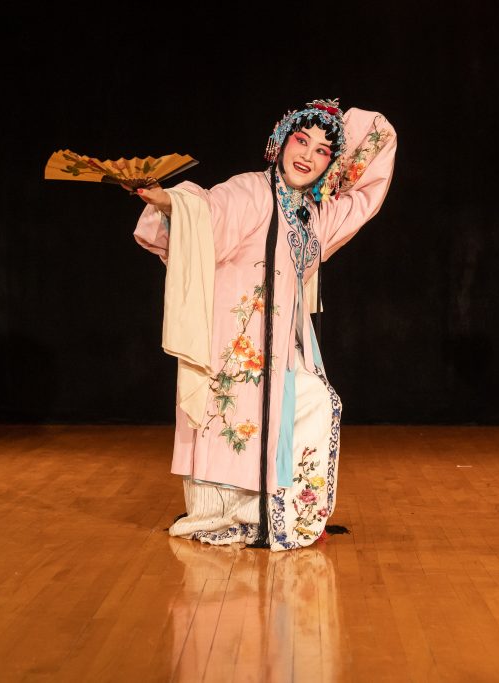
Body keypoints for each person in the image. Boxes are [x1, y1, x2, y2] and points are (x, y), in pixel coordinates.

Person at [132, 99, 396, 551]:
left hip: (281, 349)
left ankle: (284, 515)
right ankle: (226, 515)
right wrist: (167, 201)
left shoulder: (315, 216)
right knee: (236, 421)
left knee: (315, 402)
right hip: (235, 341)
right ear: (280, 141)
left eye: (322, 151)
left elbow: (369, 182)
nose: (307, 155)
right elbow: (208, 212)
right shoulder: (251, 190)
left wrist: (341, 130)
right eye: (301, 140)